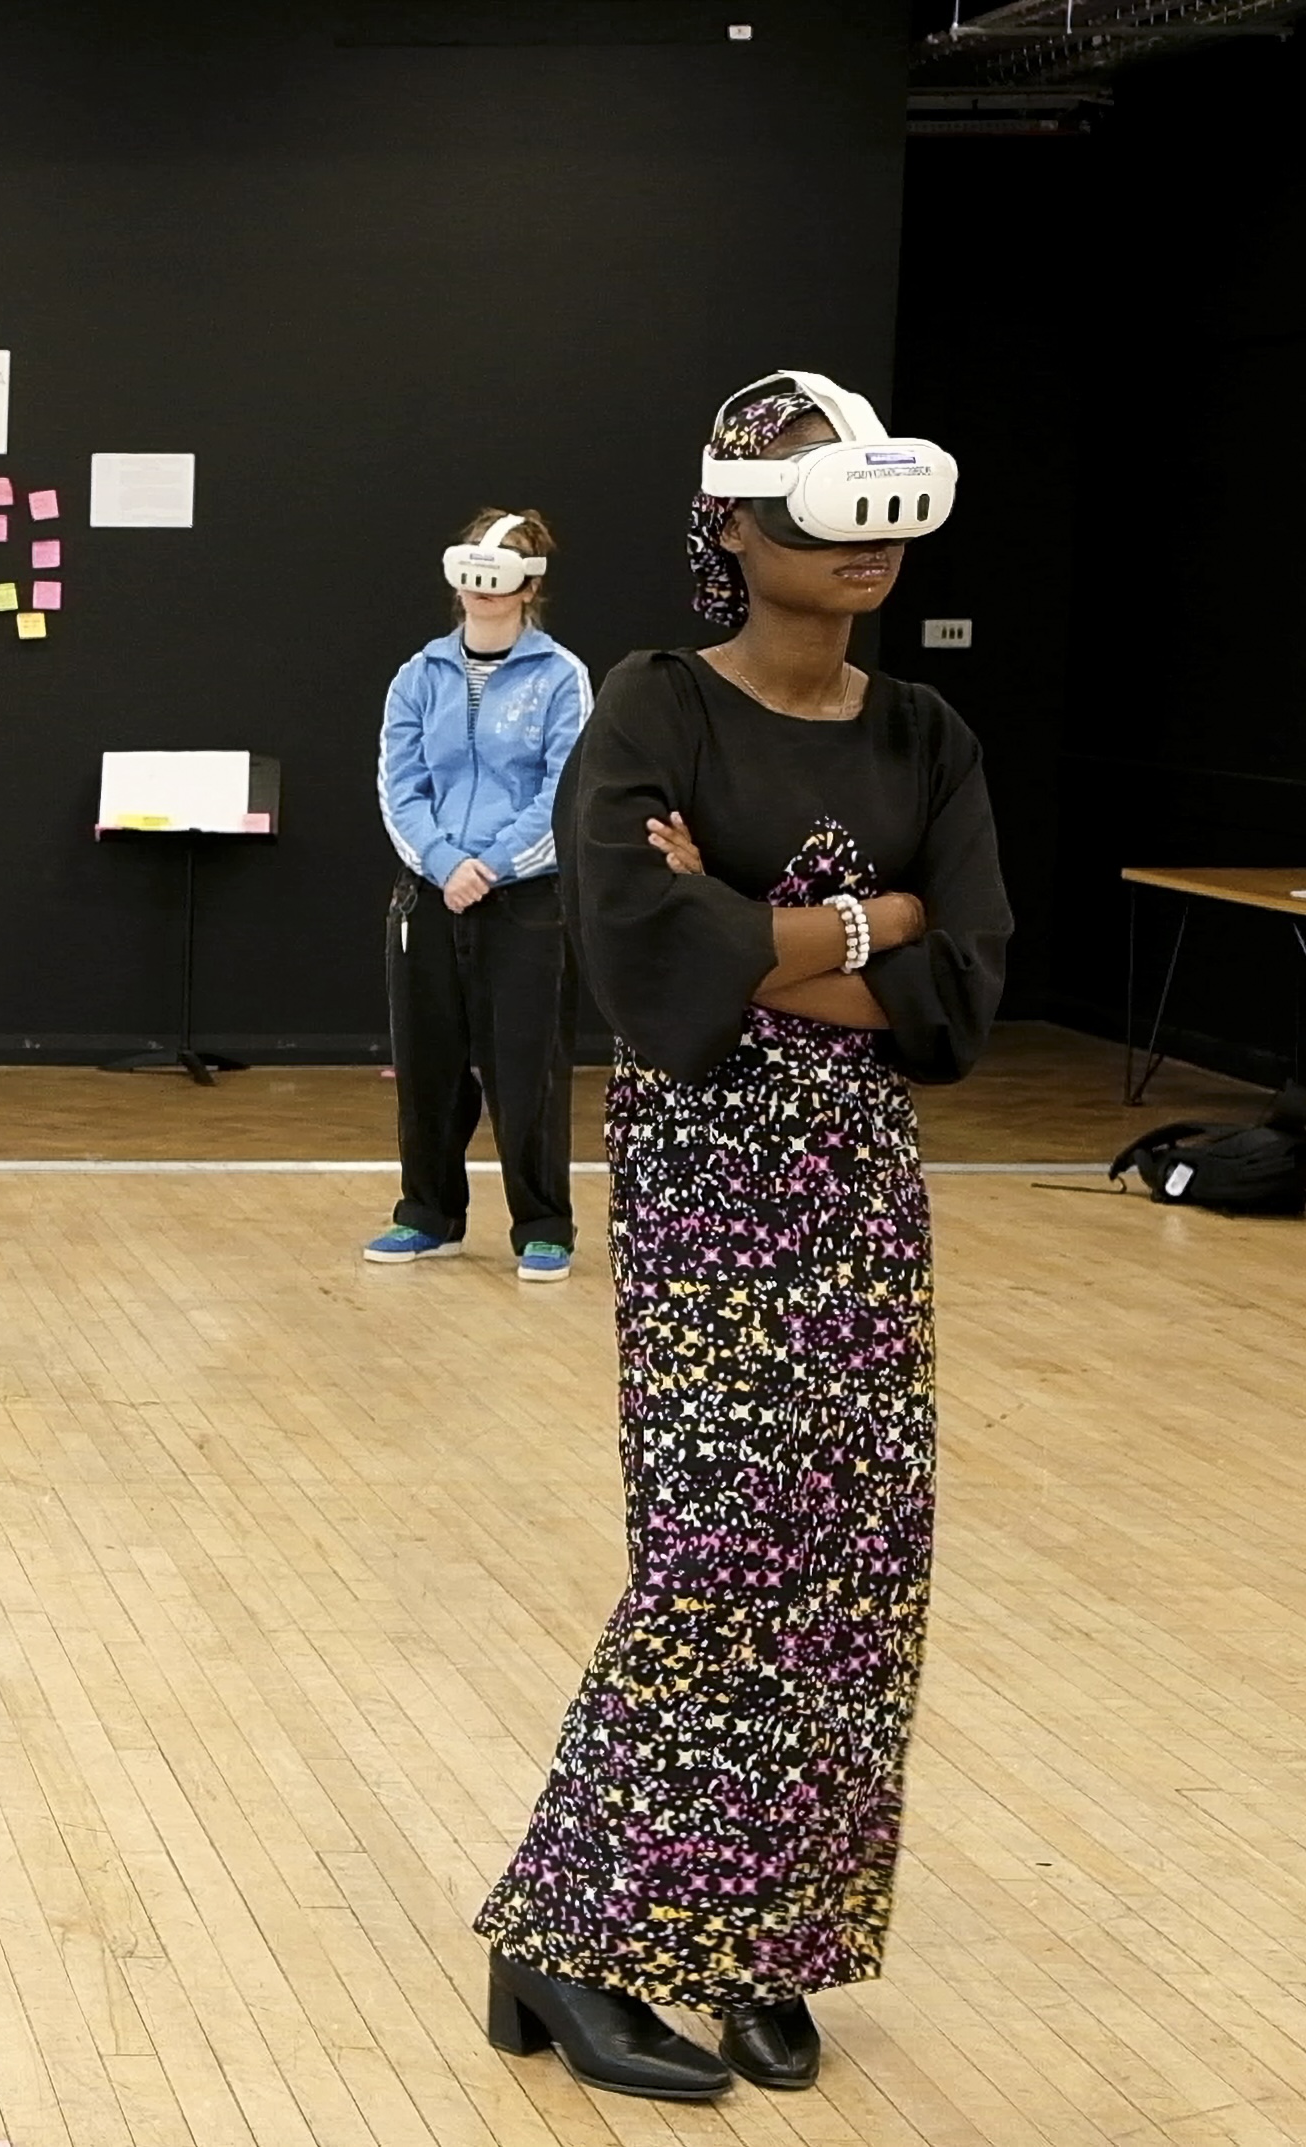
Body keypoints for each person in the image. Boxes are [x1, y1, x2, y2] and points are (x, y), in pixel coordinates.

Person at [475, 372, 1007, 2101]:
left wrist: (759, 926)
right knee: (719, 1555)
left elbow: (964, 987)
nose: (862, 544)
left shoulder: (925, 733)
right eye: (812, 507)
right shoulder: (653, 705)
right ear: (731, 525)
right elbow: (645, 962)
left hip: (861, 1179)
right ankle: (565, 1937)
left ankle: (767, 1943)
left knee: (858, 1565)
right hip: (709, 1164)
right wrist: (870, 921)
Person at [368, 509, 593, 1280]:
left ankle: (543, 1223)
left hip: (525, 900)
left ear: (530, 586)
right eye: (472, 574)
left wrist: (491, 866)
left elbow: (564, 791)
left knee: (528, 1067)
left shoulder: (561, 677)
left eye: (501, 577)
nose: (483, 590)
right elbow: (400, 786)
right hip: (430, 896)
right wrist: (442, 862)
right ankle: (427, 1213)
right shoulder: (418, 674)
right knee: (427, 1063)